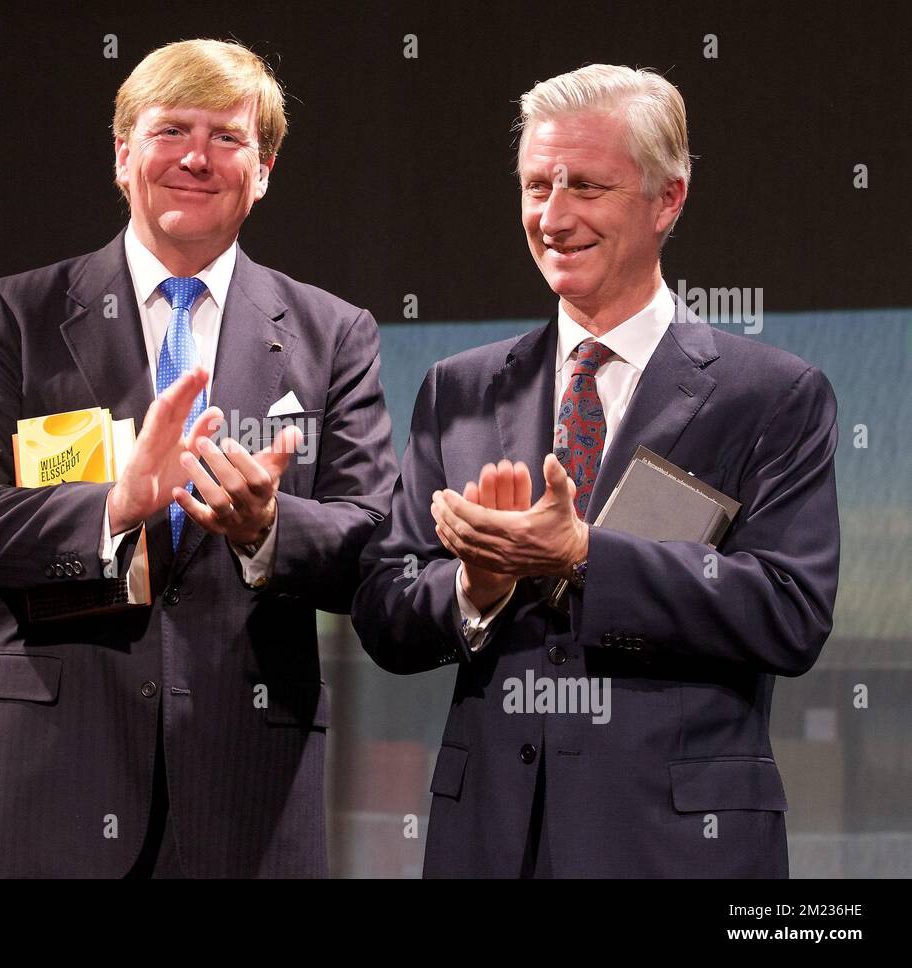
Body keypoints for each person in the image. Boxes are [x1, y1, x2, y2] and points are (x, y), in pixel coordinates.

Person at [0, 38, 397, 877]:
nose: (197, 158)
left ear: (266, 168)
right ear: (122, 154)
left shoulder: (333, 335)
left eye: (228, 137)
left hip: (248, 798)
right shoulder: (14, 317)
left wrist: (268, 531)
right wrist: (109, 507)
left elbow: (375, 545)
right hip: (45, 791)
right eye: (171, 130)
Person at [352, 64, 839, 877]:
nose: (553, 216)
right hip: (490, 845)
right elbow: (384, 606)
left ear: (668, 199)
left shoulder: (772, 396)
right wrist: (475, 587)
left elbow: (790, 612)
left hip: (676, 846)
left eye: (587, 186)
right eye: (536, 185)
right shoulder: (461, 390)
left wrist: (583, 556)